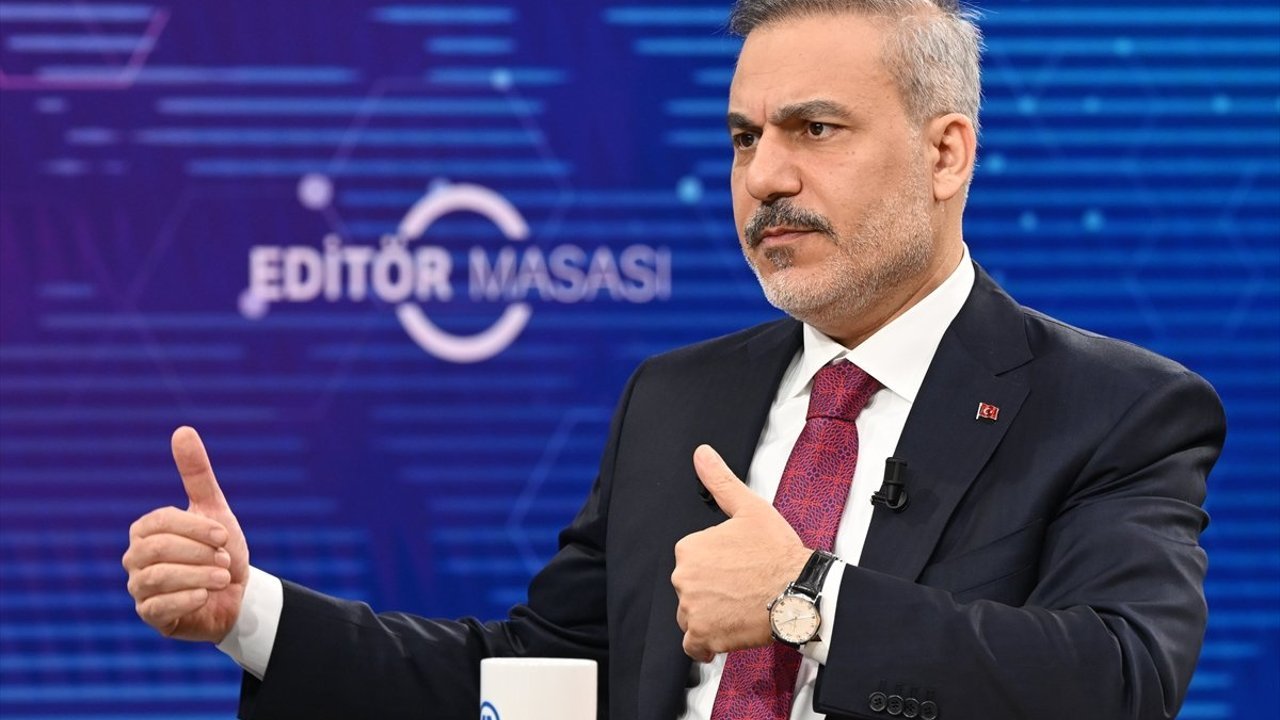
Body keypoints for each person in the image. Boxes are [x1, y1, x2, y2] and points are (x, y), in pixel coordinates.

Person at [122, 1, 1226, 718]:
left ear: (946, 154)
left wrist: (804, 599)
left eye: (815, 130)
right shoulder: (677, 398)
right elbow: (538, 676)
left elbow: (1119, 679)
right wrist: (250, 613)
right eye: (745, 138)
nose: (765, 178)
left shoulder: (1113, 409)